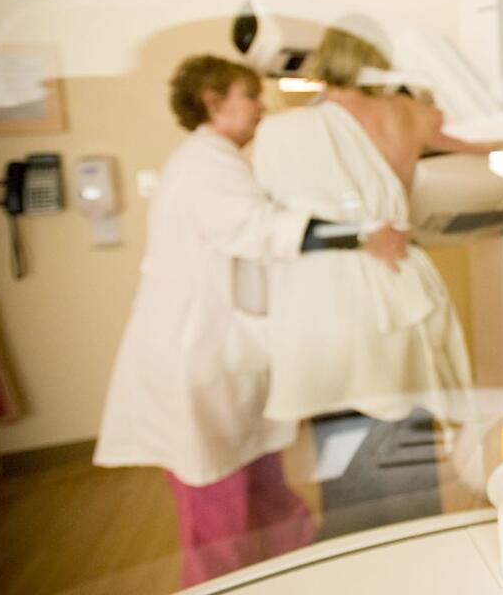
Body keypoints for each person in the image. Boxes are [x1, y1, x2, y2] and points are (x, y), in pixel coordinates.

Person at [93, 54, 394, 586]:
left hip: (223, 353)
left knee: (266, 493)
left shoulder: (213, 160)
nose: (261, 108)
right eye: (249, 96)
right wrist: (364, 234)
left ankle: (293, 576)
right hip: (198, 356)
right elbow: (261, 229)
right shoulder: (205, 162)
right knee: (219, 514)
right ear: (213, 103)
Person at [250, 27, 479, 426]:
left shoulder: (289, 130)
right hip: (399, 278)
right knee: (408, 422)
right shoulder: (412, 114)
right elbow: (495, 141)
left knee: (345, 431)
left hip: (330, 297)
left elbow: (269, 218)